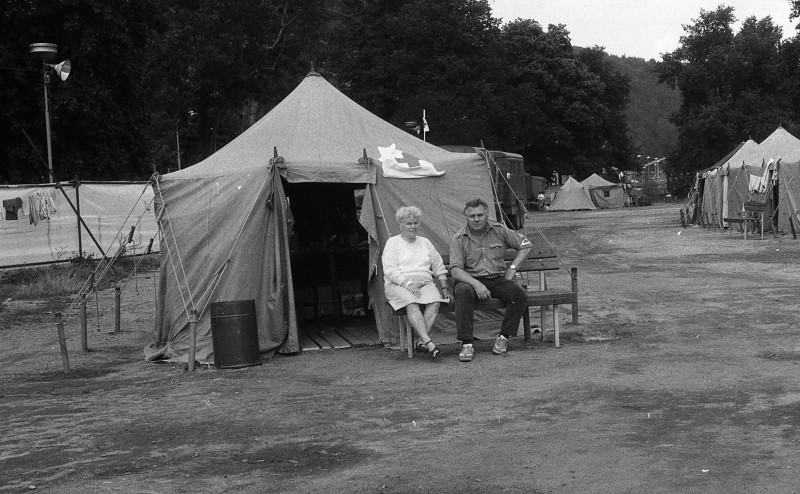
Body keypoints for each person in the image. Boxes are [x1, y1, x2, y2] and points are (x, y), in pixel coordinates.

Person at [449, 198, 532, 362]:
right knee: (462, 291)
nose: (476, 219)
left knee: (519, 294)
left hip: (497, 279)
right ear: (466, 217)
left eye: (480, 215)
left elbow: (526, 245)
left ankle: (503, 337)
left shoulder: (499, 230)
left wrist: (512, 269)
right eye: (472, 216)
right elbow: (456, 270)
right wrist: (477, 285)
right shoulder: (459, 238)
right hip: (470, 281)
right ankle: (467, 343)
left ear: (487, 215)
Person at [382, 206, 451, 357]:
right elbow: (390, 270)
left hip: (424, 283)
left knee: (435, 302)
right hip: (398, 284)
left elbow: (438, 264)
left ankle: (420, 342)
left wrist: (444, 286)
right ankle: (428, 342)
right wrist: (408, 284)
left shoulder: (425, 242)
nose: (412, 226)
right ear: (400, 224)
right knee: (411, 303)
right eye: (408, 223)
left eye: (415, 223)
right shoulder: (392, 243)